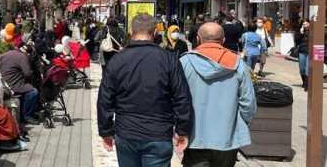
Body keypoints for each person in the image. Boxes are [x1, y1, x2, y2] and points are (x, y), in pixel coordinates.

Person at [97, 13, 193, 166]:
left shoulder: (117, 60)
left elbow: (105, 98)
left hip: (126, 132)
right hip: (159, 134)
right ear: (155, 33)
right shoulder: (169, 59)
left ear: (131, 32)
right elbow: (182, 97)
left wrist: (106, 131)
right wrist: (182, 130)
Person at [180, 23, 256, 167]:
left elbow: (176, 100)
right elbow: (248, 103)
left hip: (195, 137)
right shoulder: (238, 64)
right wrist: (240, 125)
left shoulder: (185, 62)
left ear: (198, 38)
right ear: (223, 40)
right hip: (227, 138)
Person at [0, 40, 40, 125]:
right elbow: (27, 74)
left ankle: (26, 112)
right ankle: (27, 116)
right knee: (33, 92)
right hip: (14, 85)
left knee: (27, 88)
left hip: (4, 83)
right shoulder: (22, 57)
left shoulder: (6, 54)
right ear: (26, 53)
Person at [295, 20, 310, 91]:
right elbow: (296, 40)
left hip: (310, 52)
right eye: (304, 24)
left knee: (307, 69)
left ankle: (306, 85)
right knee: (302, 69)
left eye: (306, 23)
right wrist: (301, 33)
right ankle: (304, 81)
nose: (305, 25)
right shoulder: (299, 31)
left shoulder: (312, 31)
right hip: (302, 51)